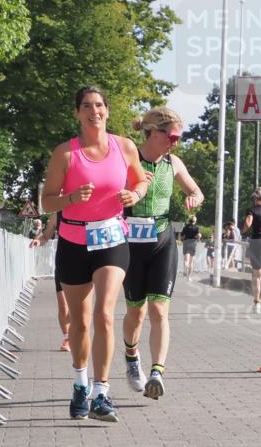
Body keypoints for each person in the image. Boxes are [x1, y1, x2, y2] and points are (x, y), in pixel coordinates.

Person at [41, 86, 149, 423]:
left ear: (108, 110)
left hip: (111, 237)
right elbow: (47, 200)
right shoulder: (65, 153)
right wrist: (70, 199)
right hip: (73, 241)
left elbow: (141, 181)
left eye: (99, 105)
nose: (94, 111)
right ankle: (80, 383)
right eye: (86, 106)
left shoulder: (124, 146)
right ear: (77, 113)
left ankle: (102, 392)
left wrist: (135, 193)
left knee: (104, 313)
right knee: (80, 321)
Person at [121, 107, 203, 400]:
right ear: (153, 132)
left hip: (162, 241)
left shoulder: (174, 163)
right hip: (131, 244)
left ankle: (157, 372)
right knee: (136, 311)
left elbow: (196, 190)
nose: (175, 142)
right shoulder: (129, 160)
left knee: (159, 309)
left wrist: (193, 196)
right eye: (171, 136)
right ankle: (132, 358)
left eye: (178, 137)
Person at [31, 212, 70, 351]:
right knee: (63, 305)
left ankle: (78, 333)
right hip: (63, 262)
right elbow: (46, 235)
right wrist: (38, 240)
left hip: (85, 265)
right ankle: (67, 338)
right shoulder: (58, 214)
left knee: (79, 308)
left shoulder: (88, 209)